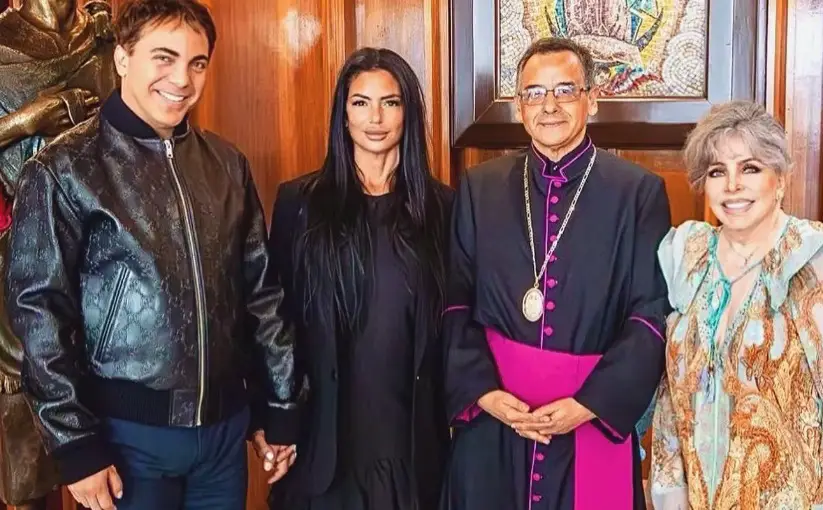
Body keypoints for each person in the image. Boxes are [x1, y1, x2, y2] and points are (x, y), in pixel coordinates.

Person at [3, 1, 299, 510]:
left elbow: (261, 294)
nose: (181, 79)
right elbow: (39, 315)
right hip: (126, 442)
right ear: (122, 58)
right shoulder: (63, 169)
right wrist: (75, 446)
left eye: (197, 62)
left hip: (224, 437)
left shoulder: (227, 163)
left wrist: (280, 405)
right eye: (164, 57)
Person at [442, 37, 671, 510]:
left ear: (592, 99)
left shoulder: (637, 193)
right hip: (496, 422)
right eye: (534, 93)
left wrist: (590, 404)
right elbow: (455, 301)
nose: (549, 106)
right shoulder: (479, 188)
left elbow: (649, 315)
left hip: (590, 417)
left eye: (565, 90)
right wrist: (484, 393)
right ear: (519, 107)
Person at [649, 101, 823, 509]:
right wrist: (671, 491)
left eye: (750, 168)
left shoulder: (812, 259)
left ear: (779, 179)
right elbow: (670, 396)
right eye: (717, 171)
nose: (732, 185)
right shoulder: (689, 257)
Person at [250, 47, 452, 510]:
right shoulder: (299, 203)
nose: (375, 118)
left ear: (408, 113)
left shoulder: (443, 209)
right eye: (361, 102)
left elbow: (458, 326)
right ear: (343, 115)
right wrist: (272, 417)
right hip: (322, 445)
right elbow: (271, 320)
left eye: (390, 102)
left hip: (411, 446)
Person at [0, 1, 116, 508]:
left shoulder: (107, 36)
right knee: (29, 453)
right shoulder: (3, 38)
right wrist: (26, 121)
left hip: (107, 257)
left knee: (119, 456)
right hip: (22, 261)